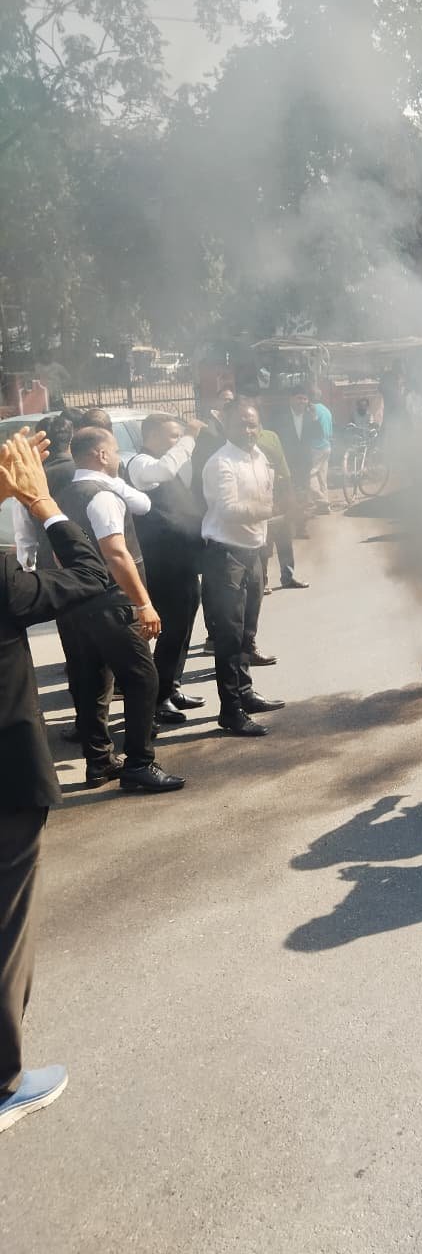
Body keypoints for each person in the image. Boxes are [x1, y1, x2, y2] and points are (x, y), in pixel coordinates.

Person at [0, 432, 113, 1134]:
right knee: (6, 927)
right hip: (6, 776)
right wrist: (41, 500)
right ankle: (5, 1081)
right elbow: (92, 576)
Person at [59, 428, 185, 792]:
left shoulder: (64, 495)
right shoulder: (102, 496)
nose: (118, 458)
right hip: (112, 604)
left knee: (92, 684)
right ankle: (139, 764)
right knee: (143, 680)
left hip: (75, 605)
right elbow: (116, 553)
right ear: (100, 455)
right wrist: (143, 603)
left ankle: (98, 763)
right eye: (114, 451)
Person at [201, 399, 286, 737]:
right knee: (229, 636)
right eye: (241, 425)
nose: (248, 431)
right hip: (226, 556)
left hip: (253, 552)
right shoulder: (220, 462)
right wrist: (273, 509)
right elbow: (230, 510)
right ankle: (230, 710)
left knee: (247, 632)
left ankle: (245, 693)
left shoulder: (260, 457)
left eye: (252, 424)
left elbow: (265, 495)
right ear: (226, 425)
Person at [126, 413, 208, 724]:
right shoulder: (141, 464)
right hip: (162, 563)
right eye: (172, 436)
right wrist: (190, 436)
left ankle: (172, 687)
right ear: (152, 436)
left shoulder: (168, 462)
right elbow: (165, 468)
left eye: (179, 436)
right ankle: (158, 699)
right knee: (171, 629)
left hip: (183, 559)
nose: (179, 443)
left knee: (185, 626)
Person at [256, 423, 308, 591]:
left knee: (285, 537)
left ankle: (288, 576)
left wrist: (290, 496)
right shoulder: (244, 444)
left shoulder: (271, 436)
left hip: (279, 491)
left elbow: (283, 466)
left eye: (256, 425)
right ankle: (262, 582)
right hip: (261, 494)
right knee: (265, 541)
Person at [271, 389, 322, 538]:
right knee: (285, 494)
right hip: (285, 462)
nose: (302, 402)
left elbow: (318, 436)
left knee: (303, 496)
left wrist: (314, 418)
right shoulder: (280, 416)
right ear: (291, 399)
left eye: (305, 399)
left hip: (303, 464)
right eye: (299, 398)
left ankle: (301, 528)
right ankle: (285, 528)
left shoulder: (309, 417)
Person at [308, 389, 334, 514]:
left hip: (315, 447)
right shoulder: (327, 410)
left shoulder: (311, 409)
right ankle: (325, 508)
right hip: (327, 446)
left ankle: (323, 501)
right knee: (323, 478)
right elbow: (330, 432)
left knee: (310, 475)